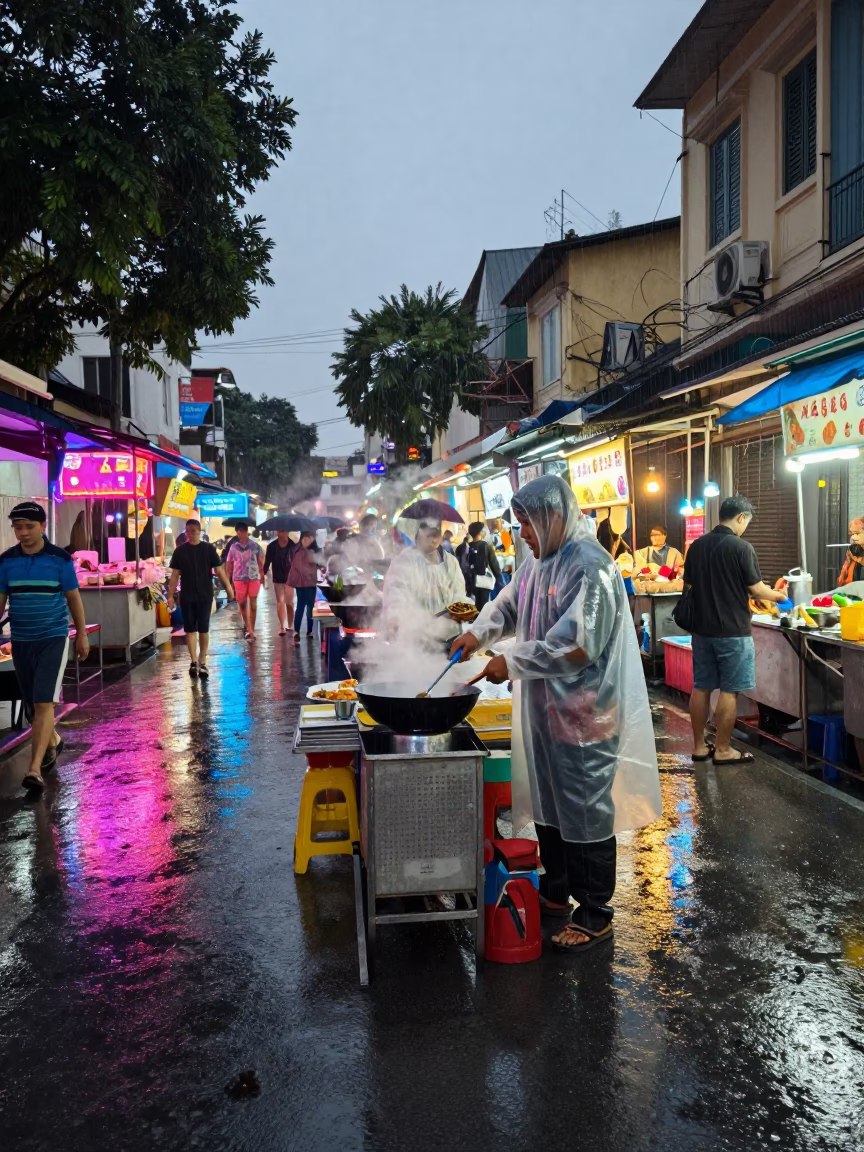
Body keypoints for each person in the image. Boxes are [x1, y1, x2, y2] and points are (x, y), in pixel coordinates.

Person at [450, 476, 661, 954]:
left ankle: (595, 911)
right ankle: (556, 888)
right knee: (548, 803)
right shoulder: (537, 563)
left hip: (585, 715)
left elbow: (577, 644)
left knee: (585, 810)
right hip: (544, 711)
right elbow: (507, 606)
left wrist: (512, 662)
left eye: (527, 523)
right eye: (519, 523)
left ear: (554, 516)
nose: (522, 532)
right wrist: (477, 635)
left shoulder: (592, 567)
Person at [683, 496, 787, 766]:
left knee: (702, 687)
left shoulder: (696, 546)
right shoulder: (742, 548)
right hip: (732, 632)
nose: (746, 528)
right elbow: (756, 589)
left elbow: (690, 586)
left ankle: (698, 747)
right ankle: (723, 749)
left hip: (702, 631)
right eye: (747, 522)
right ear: (740, 517)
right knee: (729, 690)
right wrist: (778, 595)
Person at [0, 502, 89, 791]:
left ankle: (34, 769)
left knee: (42, 702)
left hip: (52, 637)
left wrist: (82, 634)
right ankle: (54, 741)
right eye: (17, 527)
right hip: (22, 640)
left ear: (42, 527)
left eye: (28, 526)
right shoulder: (6, 561)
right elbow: (1, 600)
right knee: (32, 707)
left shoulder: (59, 559)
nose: (22, 533)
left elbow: (73, 598)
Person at [167, 518, 235, 678]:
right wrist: (170, 595)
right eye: (188, 531)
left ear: (199, 532)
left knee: (204, 628)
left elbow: (219, 571)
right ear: (185, 533)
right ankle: (193, 661)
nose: (191, 534)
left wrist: (229, 588)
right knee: (190, 629)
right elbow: (175, 575)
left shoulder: (209, 549)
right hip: (187, 595)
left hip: (205, 595)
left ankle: (202, 660)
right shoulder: (180, 551)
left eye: (194, 531)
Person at [383, 517, 466, 644]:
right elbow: (395, 592)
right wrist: (396, 618)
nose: (434, 540)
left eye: (437, 535)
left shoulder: (450, 561)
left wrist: (454, 614)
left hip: (448, 634)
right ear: (418, 535)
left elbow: (459, 591)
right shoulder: (404, 561)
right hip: (416, 634)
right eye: (429, 536)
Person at [226, 523, 265, 641]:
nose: (240, 533)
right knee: (242, 604)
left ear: (246, 531)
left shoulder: (255, 546)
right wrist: (229, 579)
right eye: (238, 531)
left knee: (253, 604)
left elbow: (261, 560)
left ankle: (251, 630)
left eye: (242, 531)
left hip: (253, 578)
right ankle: (248, 627)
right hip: (238, 578)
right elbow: (229, 562)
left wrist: (262, 575)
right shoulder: (233, 547)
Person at [460, 521, 502, 612]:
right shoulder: (486, 546)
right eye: (484, 529)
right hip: (483, 582)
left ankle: (473, 624)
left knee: (471, 607)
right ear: (480, 532)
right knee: (483, 608)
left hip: (469, 582)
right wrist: (500, 580)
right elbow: (495, 565)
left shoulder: (466, 547)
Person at [288, 530, 321, 642]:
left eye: (308, 539)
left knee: (310, 607)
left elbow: (320, 564)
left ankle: (310, 630)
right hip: (301, 583)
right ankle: (296, 630)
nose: (306, 541)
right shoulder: (297, 551)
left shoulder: (315, 551)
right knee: (301, 606)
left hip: (311, 583)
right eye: (304, 539)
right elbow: (298, 566)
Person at [263, 530, 298, 636]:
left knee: (289, 603)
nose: (282, 533)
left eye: (284, 531)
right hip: (277, 577)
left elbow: (296, 562)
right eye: (280, 531)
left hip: (290, 577)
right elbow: (267, 562)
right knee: (280, 602)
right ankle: (282, 626)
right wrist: (262, 574)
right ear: (277, 533)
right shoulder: (272, 547)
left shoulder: (293, 545)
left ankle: (290, 625)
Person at [838, 516, 864, 586]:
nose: (853, 537)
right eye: (852, 534)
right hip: (853, 589)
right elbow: (846, 567)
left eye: (857, 533)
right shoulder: (852, 551)